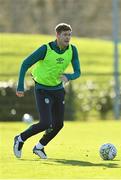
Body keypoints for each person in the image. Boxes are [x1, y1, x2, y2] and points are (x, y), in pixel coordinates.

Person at [13, 23, 81, 159]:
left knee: (58, 124)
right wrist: (20, 85)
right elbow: (25, 64)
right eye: (64, 34)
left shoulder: (72, 50)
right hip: (42, 89)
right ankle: (20, 138)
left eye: (69, 35)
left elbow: (78, 72)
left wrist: (69, 76)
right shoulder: (45, 49)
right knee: (45, 123)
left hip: (58, 90)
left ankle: (39, 147)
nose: (68, 38)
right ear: (57, 35)